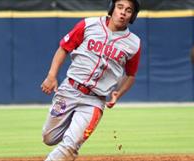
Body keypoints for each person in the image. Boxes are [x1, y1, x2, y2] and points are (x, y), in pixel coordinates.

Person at [40, 0, 142, 160]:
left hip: (94, 101)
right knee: (48, 137)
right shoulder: (89, 24)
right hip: (69, 90)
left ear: (132, 16)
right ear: (112, 8)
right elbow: (64, 48)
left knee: (71, 146)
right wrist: (51, 76)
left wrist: (118, 93)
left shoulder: (134, 43)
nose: (123, 12)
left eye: (128, 10)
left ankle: (73, 138)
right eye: (120, 7)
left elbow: (131, 74)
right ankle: (72, 131)